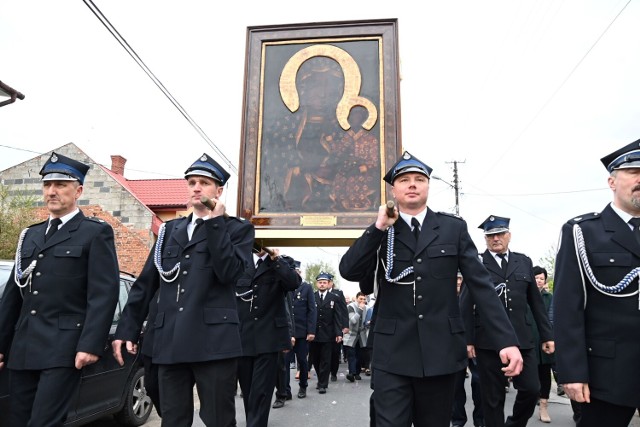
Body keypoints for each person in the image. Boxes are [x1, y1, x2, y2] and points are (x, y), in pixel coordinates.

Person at [339, 151, 523, 427]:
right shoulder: (383, 230)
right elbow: (349, 270)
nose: (412, 184)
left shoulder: (452, 228)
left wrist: (506, 339)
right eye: (404, 180)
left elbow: (482, 286)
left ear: (427, 186)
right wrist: (377, 227)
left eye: (419, 179)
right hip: (392, 352)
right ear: (393, 189)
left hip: (441, 351)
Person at [112, 153, 255, 427]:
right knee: (173, 419)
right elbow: (146, 284)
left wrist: (214, 222)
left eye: (203, 182)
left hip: (214, 342)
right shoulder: (169, 230)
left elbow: (230, 273)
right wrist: (127, 329)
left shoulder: (237, 229)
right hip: (171, 341)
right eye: (191, 182)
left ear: (219, 190)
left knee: (219, 420)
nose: (196, 188)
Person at [0, 152, 120, 426]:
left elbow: (103, 294)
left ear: (78, 190)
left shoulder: (94, 232)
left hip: (63, 348)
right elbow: (13, 296)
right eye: (47, 185)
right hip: (23, 347)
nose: (52, 191)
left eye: (60, 185)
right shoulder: (30, 235)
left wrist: (90, 345)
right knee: (17, 420)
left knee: (44, 422)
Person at [553, 140, 640, 427]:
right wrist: (572, 371)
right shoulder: (583, 232)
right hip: (608, 372)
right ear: (612, 181)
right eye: (634, 171)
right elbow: (568, 309)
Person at [464, 215, 554, 427]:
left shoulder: (523, 262)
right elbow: (465, 304)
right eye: (490, 236)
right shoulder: (477, 263)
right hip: (488, 341)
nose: (495, 239)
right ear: (485, 239)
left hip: (523, 338)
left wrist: (547, 335)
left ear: (509, 235)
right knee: (492, 397)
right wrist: (468, 340)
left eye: (500, 234)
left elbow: (536, 303)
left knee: (531, 390)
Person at [236, 248, 300, 426]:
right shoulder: (239, 261)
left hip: (269, 338)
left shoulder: (281, 262)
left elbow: (293, 283)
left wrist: (275, 258)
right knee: (248, 391)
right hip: (243, 337)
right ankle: (253, 422)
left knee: (261, 391)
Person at [452, 272, 485, 427]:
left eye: (460, 278)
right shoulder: (445, 296)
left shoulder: (475, 292)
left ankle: (481, 421)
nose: (458, 281)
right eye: (456, 278)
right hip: (453, 344)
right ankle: (458, 421)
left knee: (480, 384)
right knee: (455, 386)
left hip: (476, 343)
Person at [284, 260, 316, 399]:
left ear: (299, 273)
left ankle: (303, 386)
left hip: (302, 332)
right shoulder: (285, 287)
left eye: (296, 272)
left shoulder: (306, 288)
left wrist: (311, 331)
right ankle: (285, 390)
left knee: (302, 361)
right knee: (284, 363)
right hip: (287, 332)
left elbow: (311, 310)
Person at [309, 272, 344, 394]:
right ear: (316, 284)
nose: (322, 284)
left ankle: (323, 384)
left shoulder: (334, 298)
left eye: (324, 282)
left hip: (328, 334)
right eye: (320, 282)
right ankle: (320, 378)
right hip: (314, 334)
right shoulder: (312, 296)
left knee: (326, 359)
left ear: (328, 284)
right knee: (315, 359)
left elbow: (337, 317)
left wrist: (339, 333)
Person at [531, 266, 554, 423]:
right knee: (529, 377)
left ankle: (543, 407)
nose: (538, 281)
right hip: (528, 341)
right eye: (536, 277)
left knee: (545, 374)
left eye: (541, 278)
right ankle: (528, 402)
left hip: (545, 341)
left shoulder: (549, 297)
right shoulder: (523, 296)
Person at [344, 292, 369, 382]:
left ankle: (357, 373)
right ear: (356, 299)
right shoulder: (350, 306)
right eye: (360, 299)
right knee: (351, 355)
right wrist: (360, 309)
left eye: (364, 299)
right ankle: (351, 373)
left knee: (359, 355)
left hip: (361, 335)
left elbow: (366, 321)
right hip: (351, 334)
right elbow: (353, 320)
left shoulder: (367, 308)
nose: (362, 301)